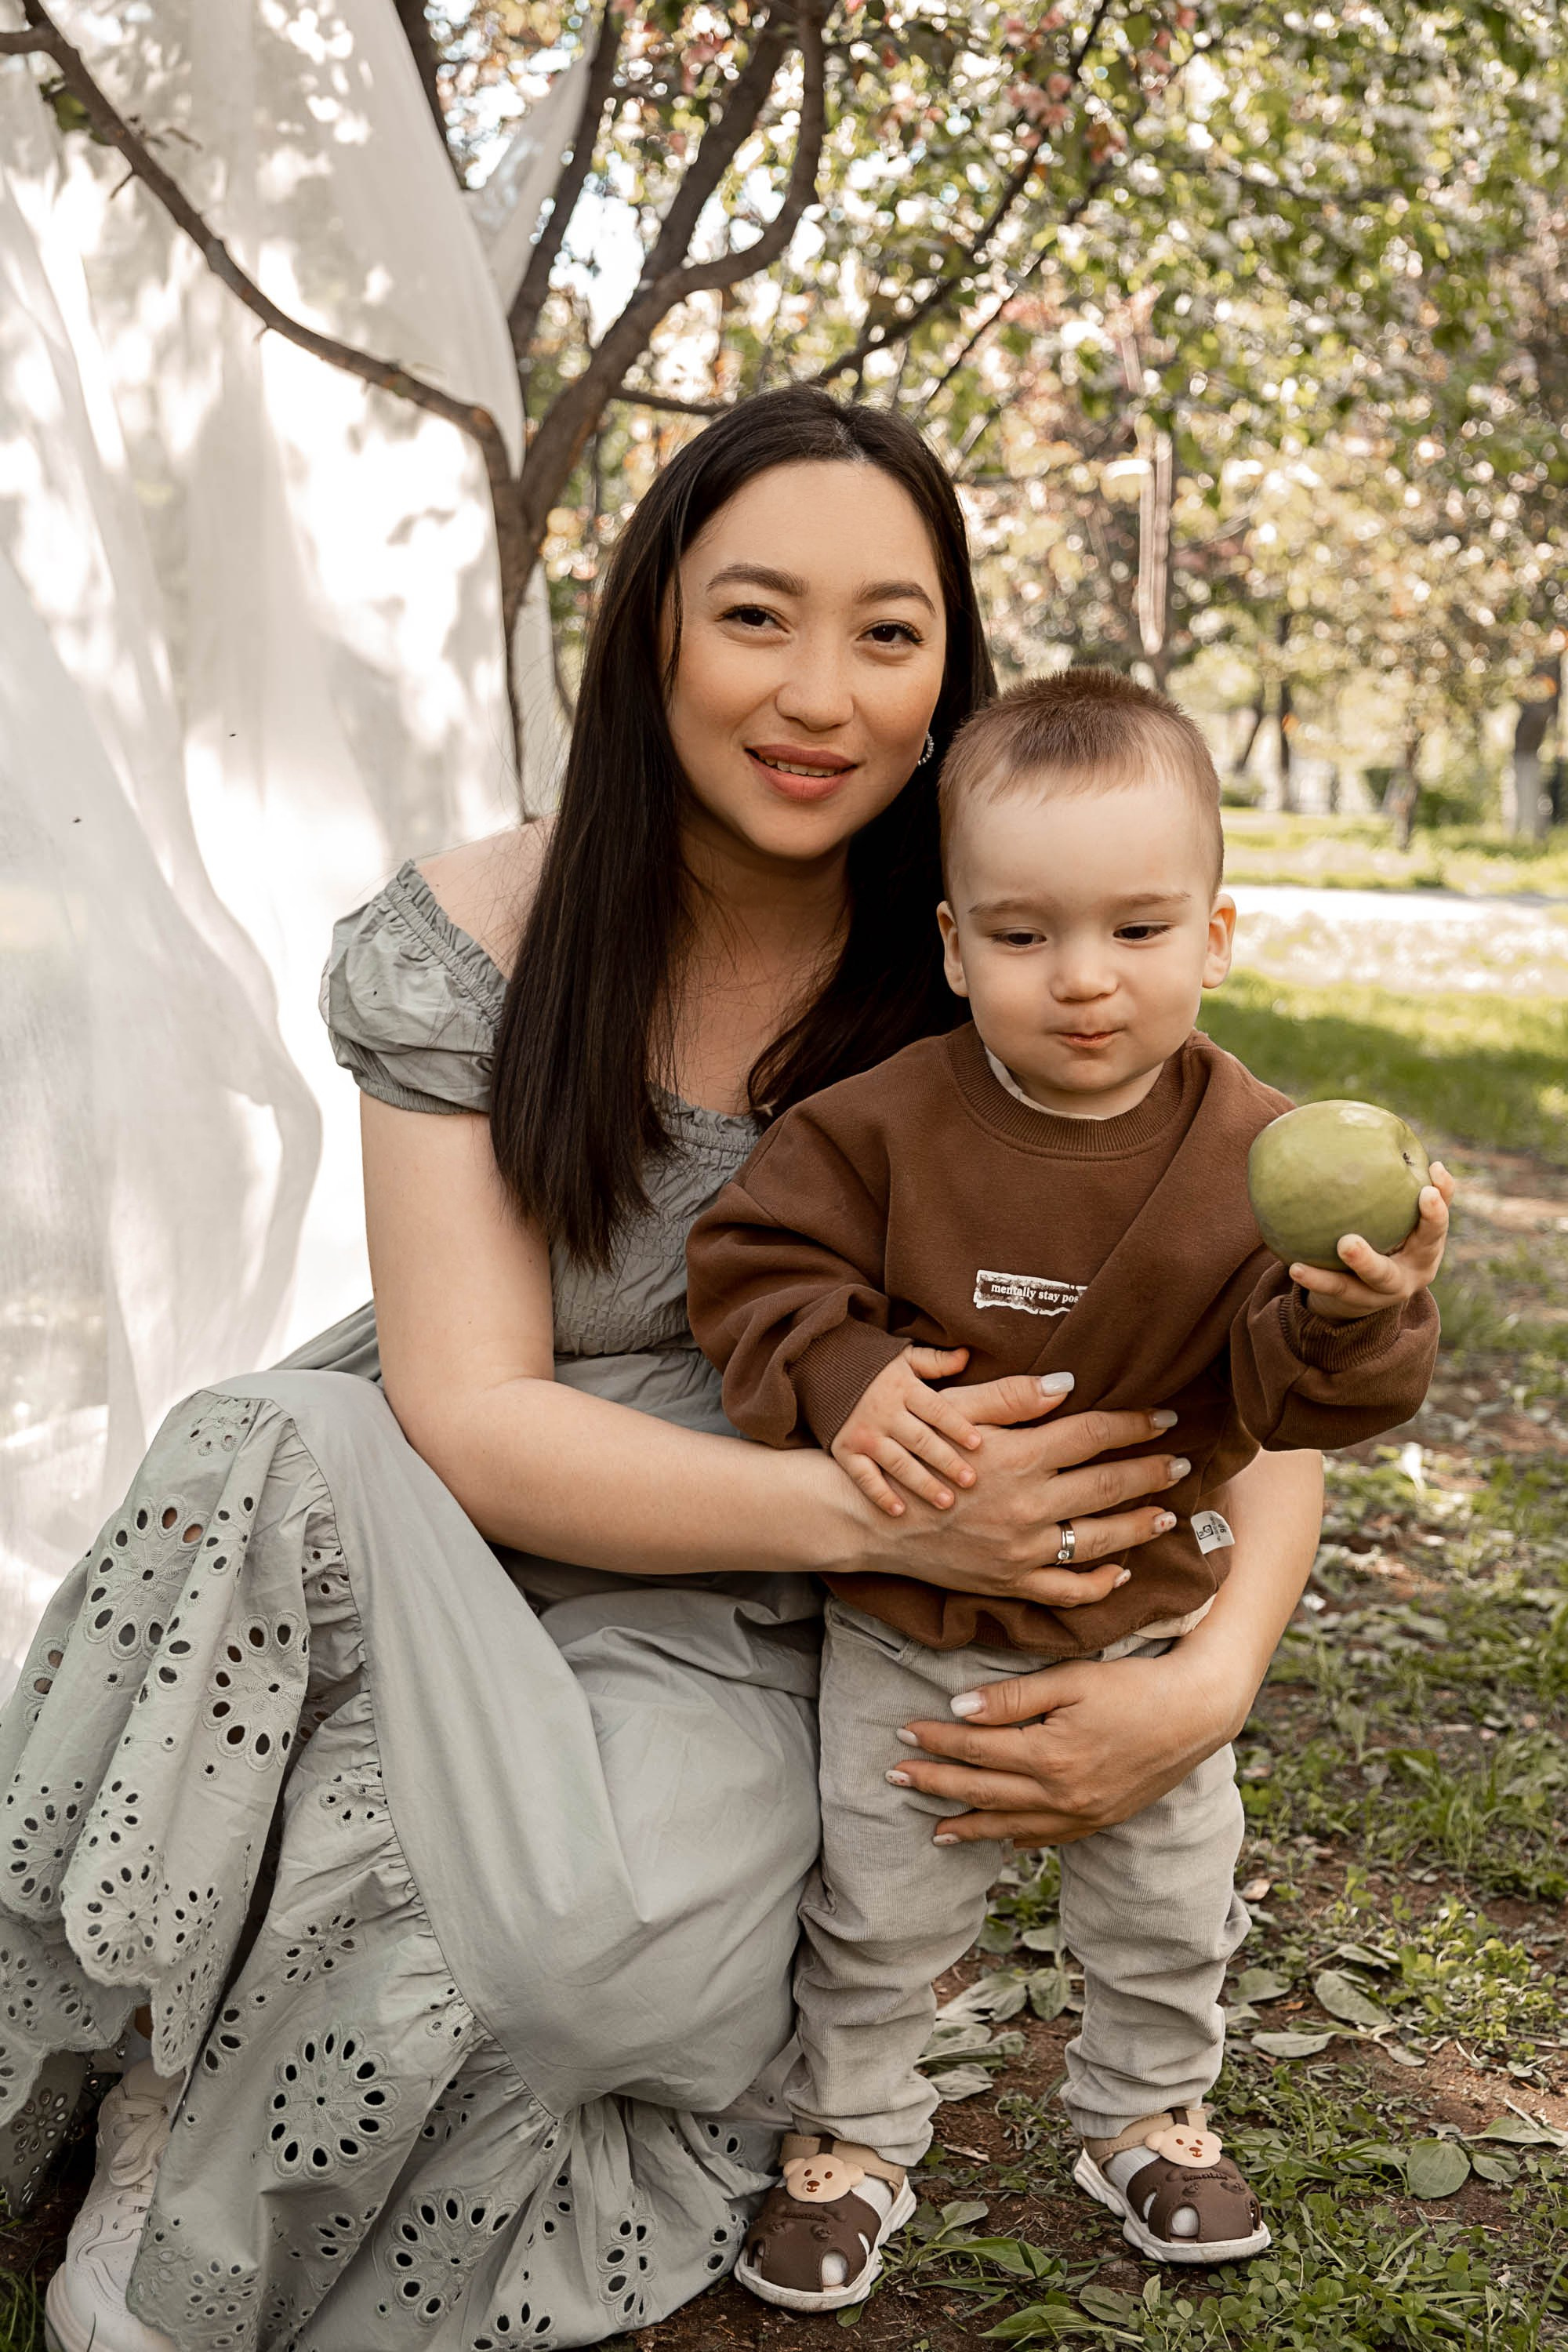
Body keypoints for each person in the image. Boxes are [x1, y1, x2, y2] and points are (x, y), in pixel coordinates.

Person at [0, 390, 1323, 2352]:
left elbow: (1245, 1331)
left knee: (580, 1977)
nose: (819, 694)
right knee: (254, 1444)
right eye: (755, 615)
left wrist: (1205, 1681)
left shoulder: (1003, 946)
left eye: (888, 633)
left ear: (948, 669)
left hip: (749, 1611)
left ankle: (256, 2043)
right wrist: (898, 1504)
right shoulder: (488, 929)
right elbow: (465, 1408)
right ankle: (147, 2085)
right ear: (654, 631)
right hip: (460, 1509)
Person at [688, 670, 1450, 2314]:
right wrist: (845, 1373)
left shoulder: (1257, 1156)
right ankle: (853, 2132)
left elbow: (1300, 1405)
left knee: (1169, 1904)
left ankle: (1145, 2114)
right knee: (878, 1907)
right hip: (910, 1620)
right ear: (955, 945)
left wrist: (1352, 1312)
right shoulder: (878, 1127)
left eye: (1138, 929)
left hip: (1144, 1620)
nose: (1085, 978)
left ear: (1215, 934)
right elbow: (753, 1266)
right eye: (1024, 935)